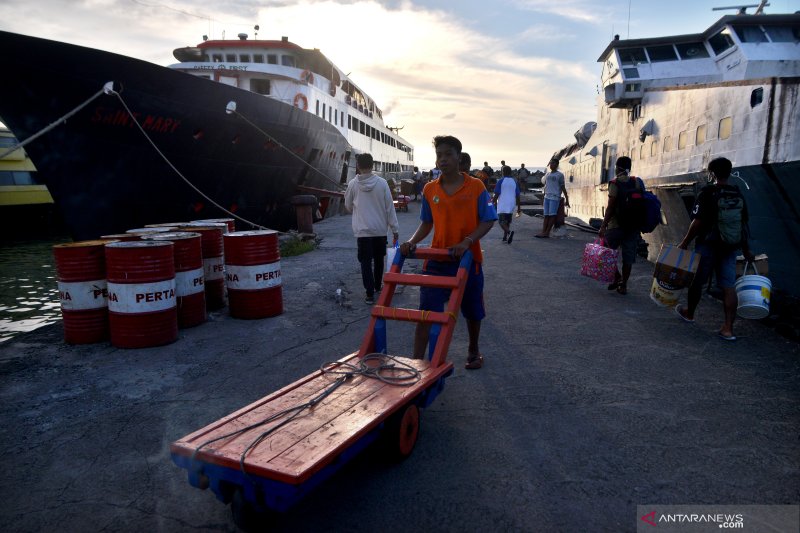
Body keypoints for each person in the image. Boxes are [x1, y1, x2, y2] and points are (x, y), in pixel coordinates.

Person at [399, 135, 497, 369]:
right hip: (437, 260)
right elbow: (426, 223)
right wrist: (411, 242)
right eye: (439, 155)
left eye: (448, 154)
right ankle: (417, 361)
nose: (442, 159)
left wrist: (466, 242)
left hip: (467, 260)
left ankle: (473, 351)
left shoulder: (475, 186)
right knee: (426, 312)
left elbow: (488, 220)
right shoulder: (430, 188)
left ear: (458, 157)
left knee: (472, 310)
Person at [675, 157, 755, 341]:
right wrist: (747, 249)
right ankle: (728, 328)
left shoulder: (708, 192)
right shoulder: (736, 193)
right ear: (729, 172)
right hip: (730, 246)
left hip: (708, 245)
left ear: (712, 174)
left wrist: (685, 241)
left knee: (697, 281)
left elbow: (697, 222)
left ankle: (689, 313)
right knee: (728, 286)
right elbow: (742, 224)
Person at [344, 153, 400, 305]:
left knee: (365, 262)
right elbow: (390, 208)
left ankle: (369, 294)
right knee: (379, 260)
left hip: (362, 231)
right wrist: (395, 229)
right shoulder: (382, 183)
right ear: (373, 164)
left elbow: (348, 206)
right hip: (380, 230)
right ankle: (377, 286)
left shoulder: (353, 184)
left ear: (358, 166)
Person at [597, 156, 640, 295]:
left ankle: (617, 277)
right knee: (628, 258)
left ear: (617, 168)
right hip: (633, 226)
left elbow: (610, 207)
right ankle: (624, 285)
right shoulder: (637, 182)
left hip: (615, 226)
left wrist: (603, 226)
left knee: (605, 252)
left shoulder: (615, 183)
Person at [536, 158, 569, 238]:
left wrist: (567, 199)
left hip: (555, 197)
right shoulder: (548, 174)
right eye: (550, 163)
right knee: (546, 215)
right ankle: (543, 231)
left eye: (553, 163)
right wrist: (543, 197)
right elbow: (545, 186)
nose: (551, 165)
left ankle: (547, 232)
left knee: (552, 215)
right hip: (547, 197)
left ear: (557, 165)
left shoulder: (560, 175)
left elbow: (563, 187)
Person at [494, 165, 521, 244]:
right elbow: (518, 195)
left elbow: (496, 194)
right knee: (507, 222)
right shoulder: (514, 181)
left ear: (503, 172)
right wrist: (519, 207)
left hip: (503, 204)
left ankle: (509, 232)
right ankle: (505, 237)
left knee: (501, 221)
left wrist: (492, 203)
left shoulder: (500, 181)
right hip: (512, 204)